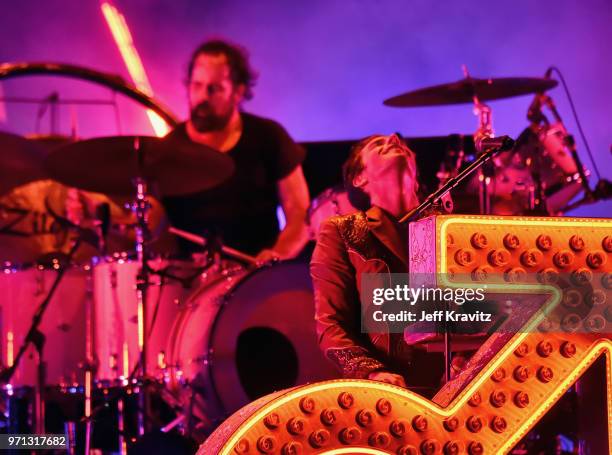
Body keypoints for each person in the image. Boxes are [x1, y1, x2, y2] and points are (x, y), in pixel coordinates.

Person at [310, 133, 445, 391]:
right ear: (359, 178)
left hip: (459, 386)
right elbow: (331, 324)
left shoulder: (449, 226)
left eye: (401, 143)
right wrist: (373, 373)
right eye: (377, 144)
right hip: (392, 389)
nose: (394, 137)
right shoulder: (342, 231)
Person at [163, 39, 310, 262]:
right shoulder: (168, 151)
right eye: (196, 85)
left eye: (215, 89)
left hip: (258, 280)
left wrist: (278, 255)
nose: (203, 97)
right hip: (190, 286)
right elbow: (150, 224)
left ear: (238, 92)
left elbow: (300, 213)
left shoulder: (268, 136)